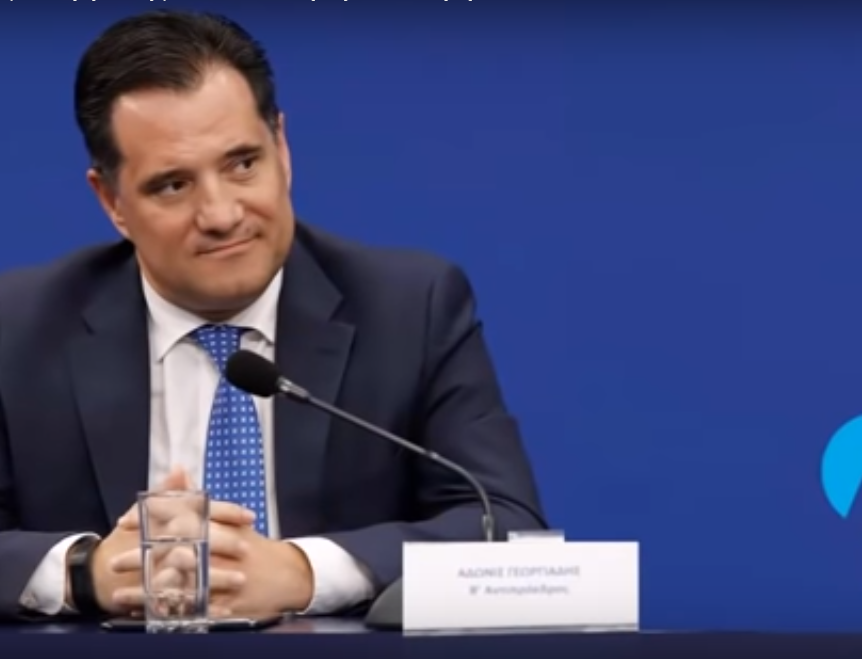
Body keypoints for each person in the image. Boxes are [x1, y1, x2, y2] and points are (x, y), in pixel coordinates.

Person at [0, 10, 545, 621]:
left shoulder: (410, 307)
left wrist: (303, 571)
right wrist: (86, 571)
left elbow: (506, 526)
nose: (221, 214)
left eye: (242, 164)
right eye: (173, 185)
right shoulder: (15, 329)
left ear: (281, 148)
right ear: (112, 201)